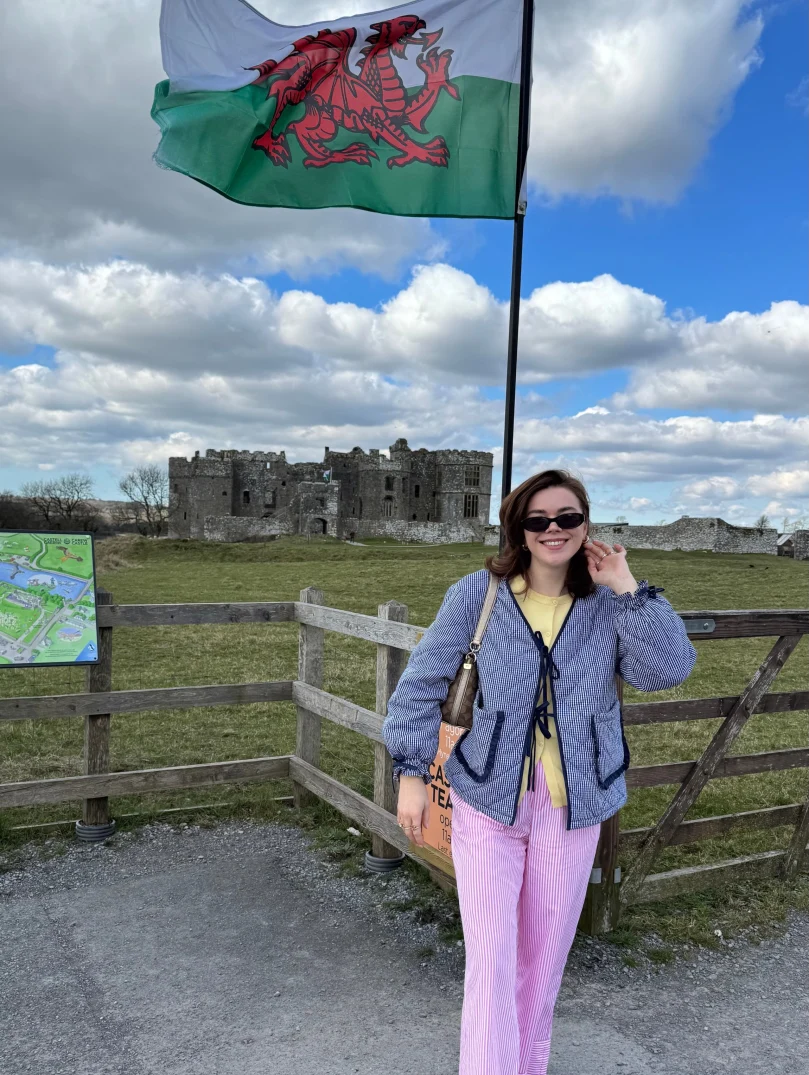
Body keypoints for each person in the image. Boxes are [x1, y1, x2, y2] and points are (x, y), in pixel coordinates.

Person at [382, 469, 697, 1075]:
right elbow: (420, 685)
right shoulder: (477, 595)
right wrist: (412, 773)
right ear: (519, 529)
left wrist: (628, 586)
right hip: (487, 799)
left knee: (544, 958)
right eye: (538, 520)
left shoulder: (608, 604)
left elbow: (669, 668)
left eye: (568, 519)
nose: (553, 530)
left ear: (586, 526)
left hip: (573, 805)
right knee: (492, 959)